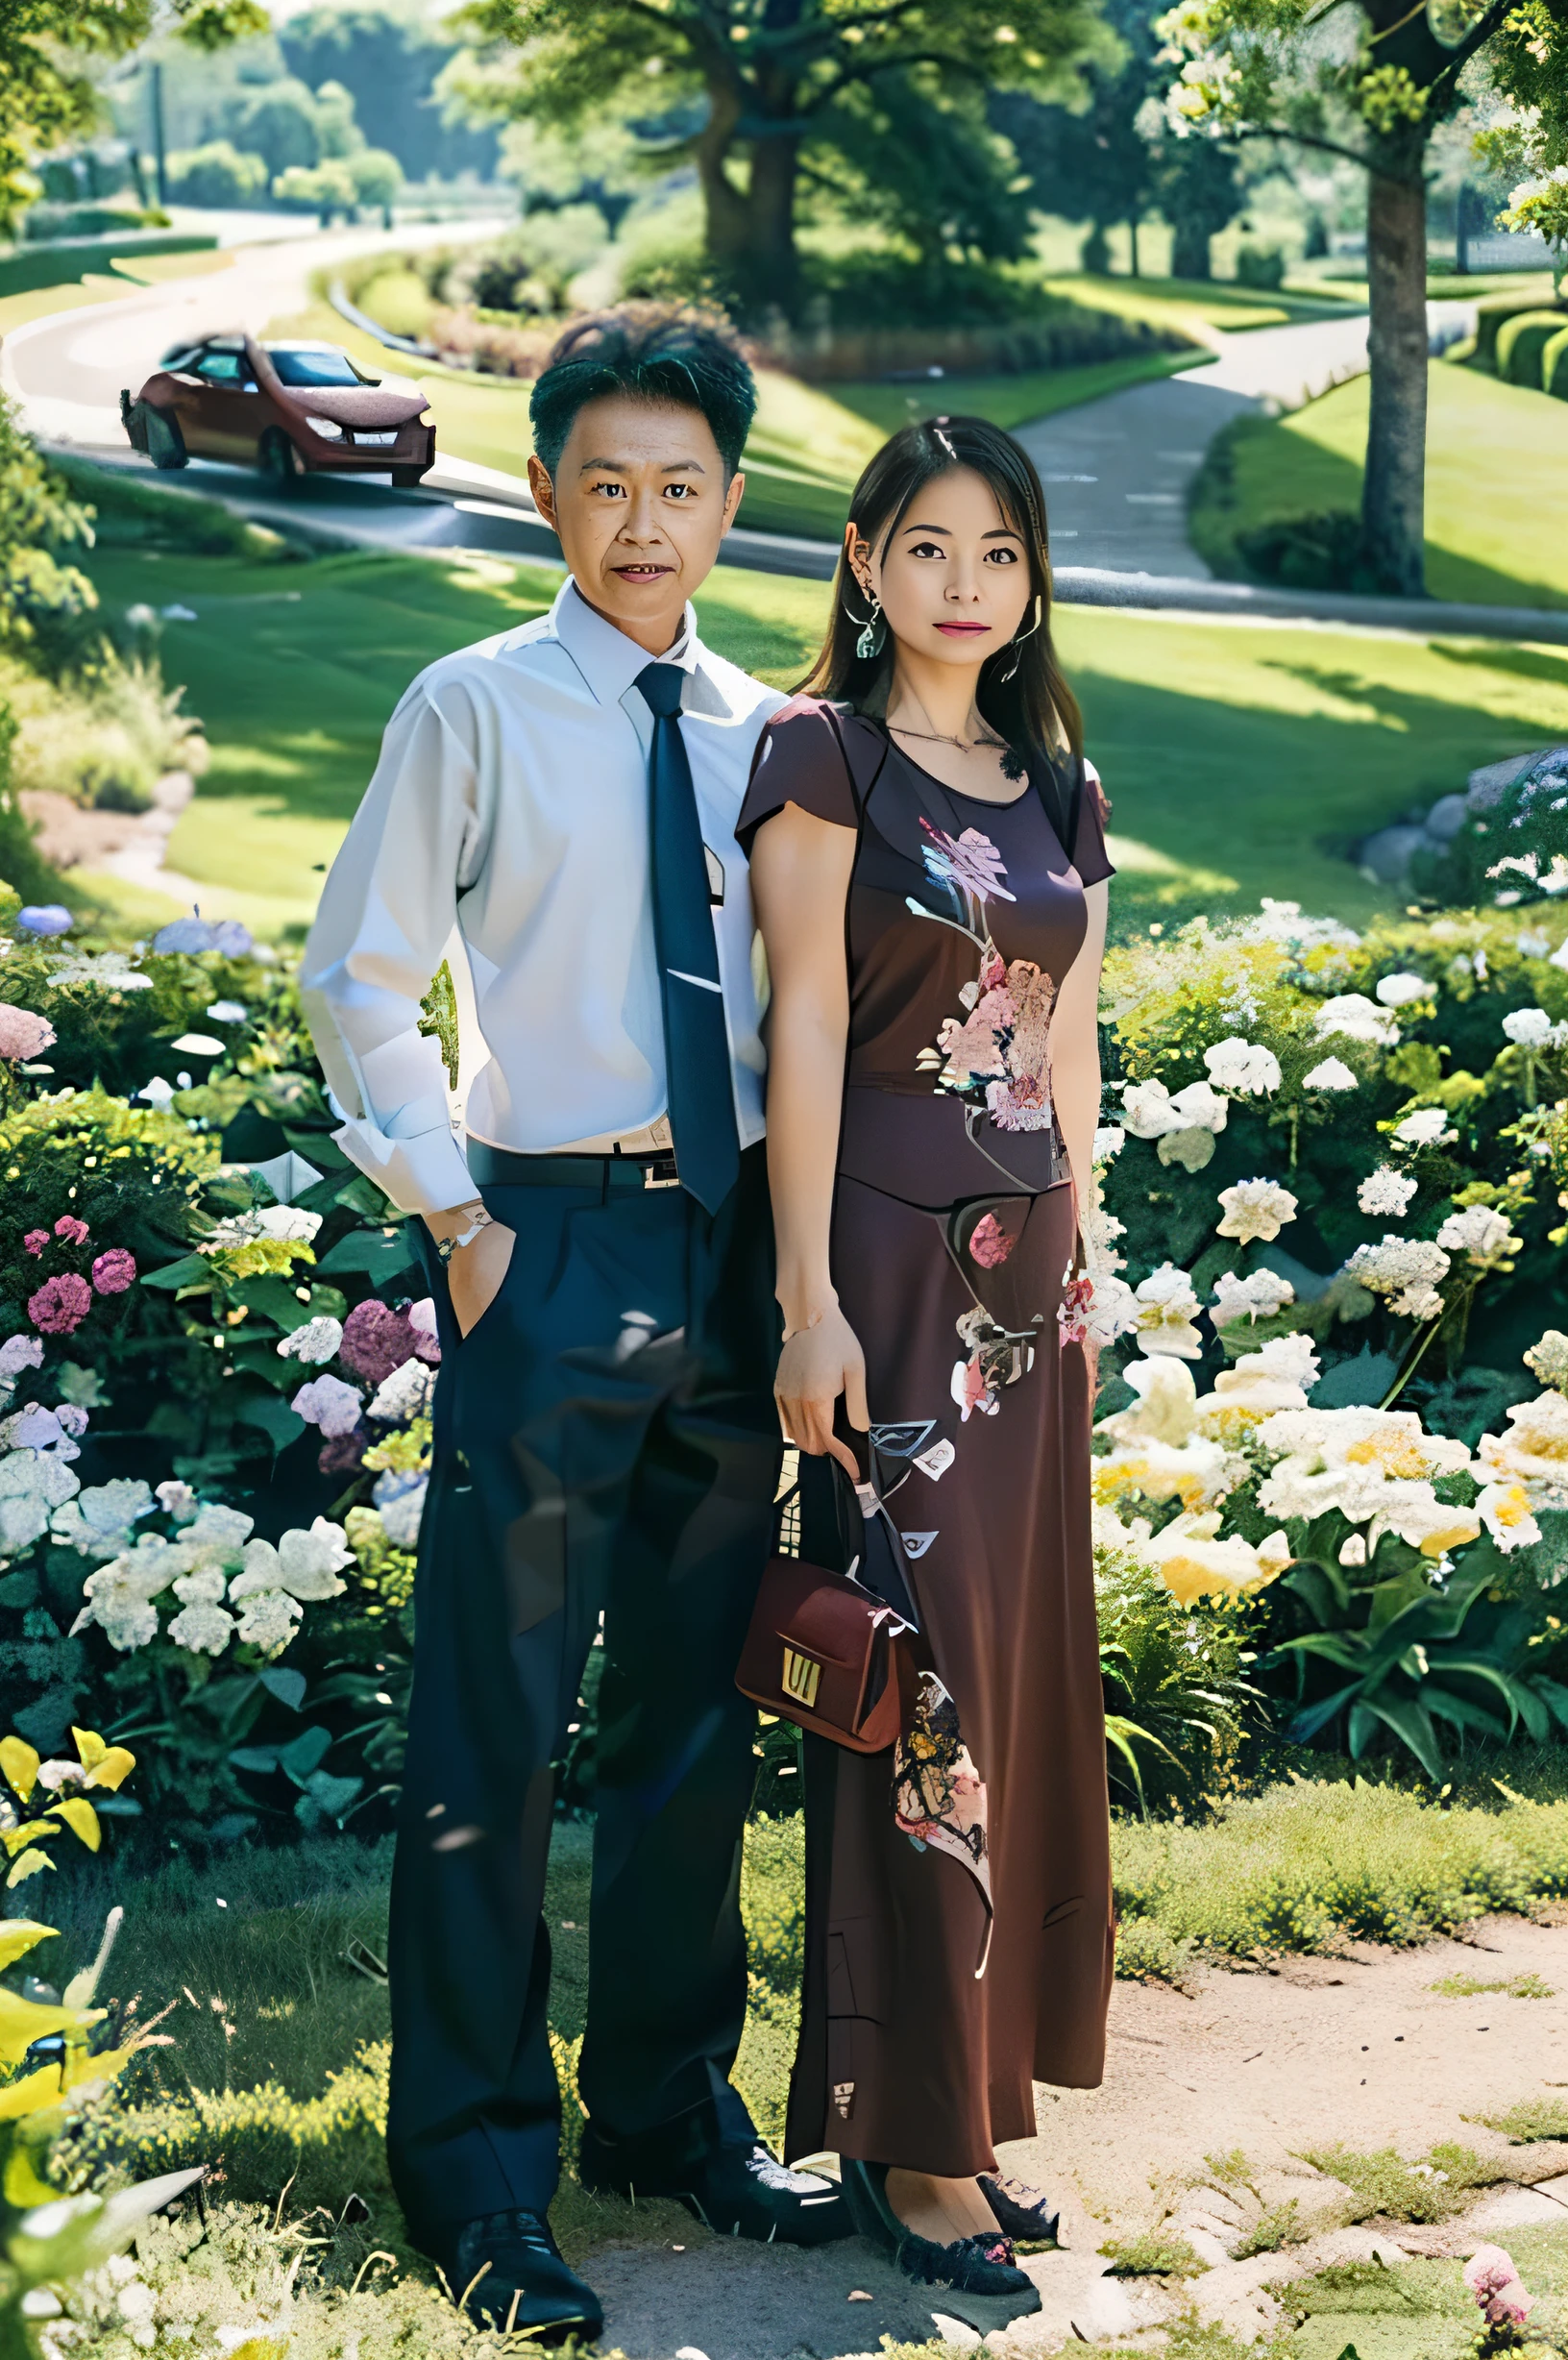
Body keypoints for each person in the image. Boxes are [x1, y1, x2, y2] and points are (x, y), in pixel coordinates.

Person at [301, 305, 850, 2346]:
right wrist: (450, 1206)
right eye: (604, 483)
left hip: (723, 1251)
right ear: (544, 493)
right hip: (544, 1238)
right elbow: (358, 968)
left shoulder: (767, 733)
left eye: (681, 485)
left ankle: (664, 2109)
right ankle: (473, 2166)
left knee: (692, 1718)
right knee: (497, 1729)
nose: (643, 520)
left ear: (731, 503)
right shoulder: (472, 703)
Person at [737, 414, 1115, 2318]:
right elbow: (808, 1024)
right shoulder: (823, 757)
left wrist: (1095, 1270)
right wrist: (803, 1294)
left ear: (1030, 578)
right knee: (921, 1691)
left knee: (1013, 1684)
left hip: (1028, 1297)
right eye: (931, 547)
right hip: (883, 1278)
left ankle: (967, 2118)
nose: (968, 583)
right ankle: (899, 2131)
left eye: (1001, 551)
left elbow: (1069, 1048)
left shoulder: (1057, 781)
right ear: (868, 559)